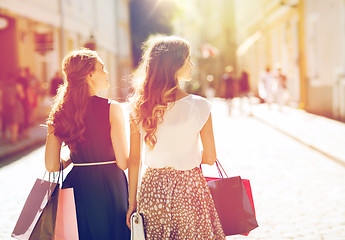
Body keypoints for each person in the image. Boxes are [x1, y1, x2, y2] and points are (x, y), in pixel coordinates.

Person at [126, 36, 225, 239]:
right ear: (174, 65)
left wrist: (132, 203)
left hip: (151, 189)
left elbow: (134, 160)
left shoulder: (139, 107)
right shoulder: (200, 106)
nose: (192, 64)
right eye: (188, 59)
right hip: (189, 189)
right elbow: (209, 157)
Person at [45, 49, 130, 240]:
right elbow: (123, 162)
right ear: (90, 74)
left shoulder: (59, 112)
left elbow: (51, 166)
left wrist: (75, 157)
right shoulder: (112, 108)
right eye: (102, 68)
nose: (106, 73)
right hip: (109, 185)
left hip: (77, 186)